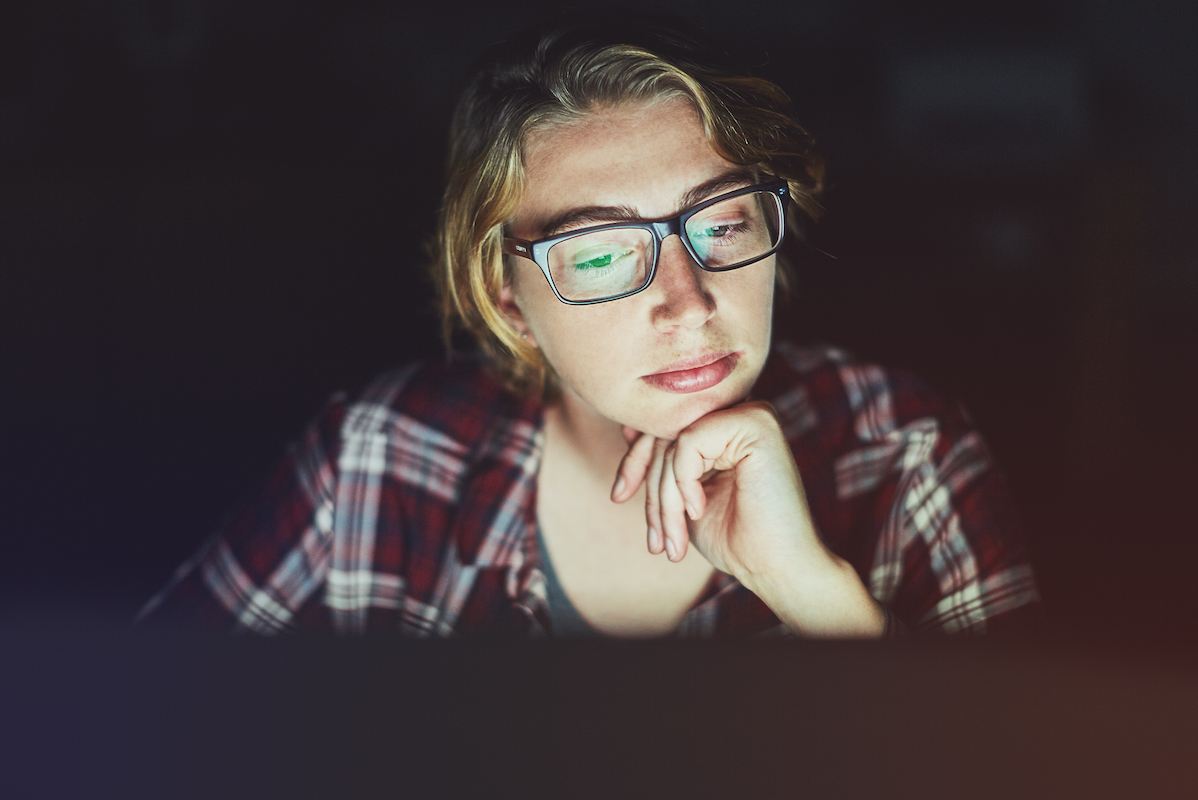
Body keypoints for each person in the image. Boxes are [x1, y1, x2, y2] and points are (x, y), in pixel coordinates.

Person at [140, 14, 1038, 638]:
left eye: (721, 223)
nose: (688, 302)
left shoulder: (905, 449)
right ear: (505, 299)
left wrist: (824, 602)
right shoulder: (376, 461)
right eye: (603, 253)